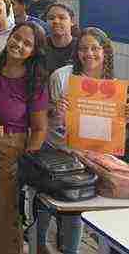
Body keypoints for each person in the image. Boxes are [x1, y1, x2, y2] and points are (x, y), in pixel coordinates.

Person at [37, 27, 121, 254]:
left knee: (77, 210)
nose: (89, 53)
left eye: (95, 48)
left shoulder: (113, 84)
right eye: (83, 48)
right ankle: (39, 244)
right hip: (58, 152)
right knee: (46, 206)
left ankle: (70, 250)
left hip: (90, 156)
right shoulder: (62, 77)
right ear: (77, 52)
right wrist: (56, 111)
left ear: (105, 51)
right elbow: (43, 117)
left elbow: (113, 131)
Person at [0, 22, 49, 254]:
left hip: (12, 148)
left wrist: (26, 164)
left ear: (34, 51)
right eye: (16, 37)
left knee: (5, 210)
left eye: (27, 43)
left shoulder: (35, 81)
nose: (19, 44)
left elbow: (40, 129)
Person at [45, 3, 77, 73]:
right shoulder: (40, 46)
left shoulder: (80, 47)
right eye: (51, 18)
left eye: (62, 18)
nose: (55, 21)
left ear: (72, 21)